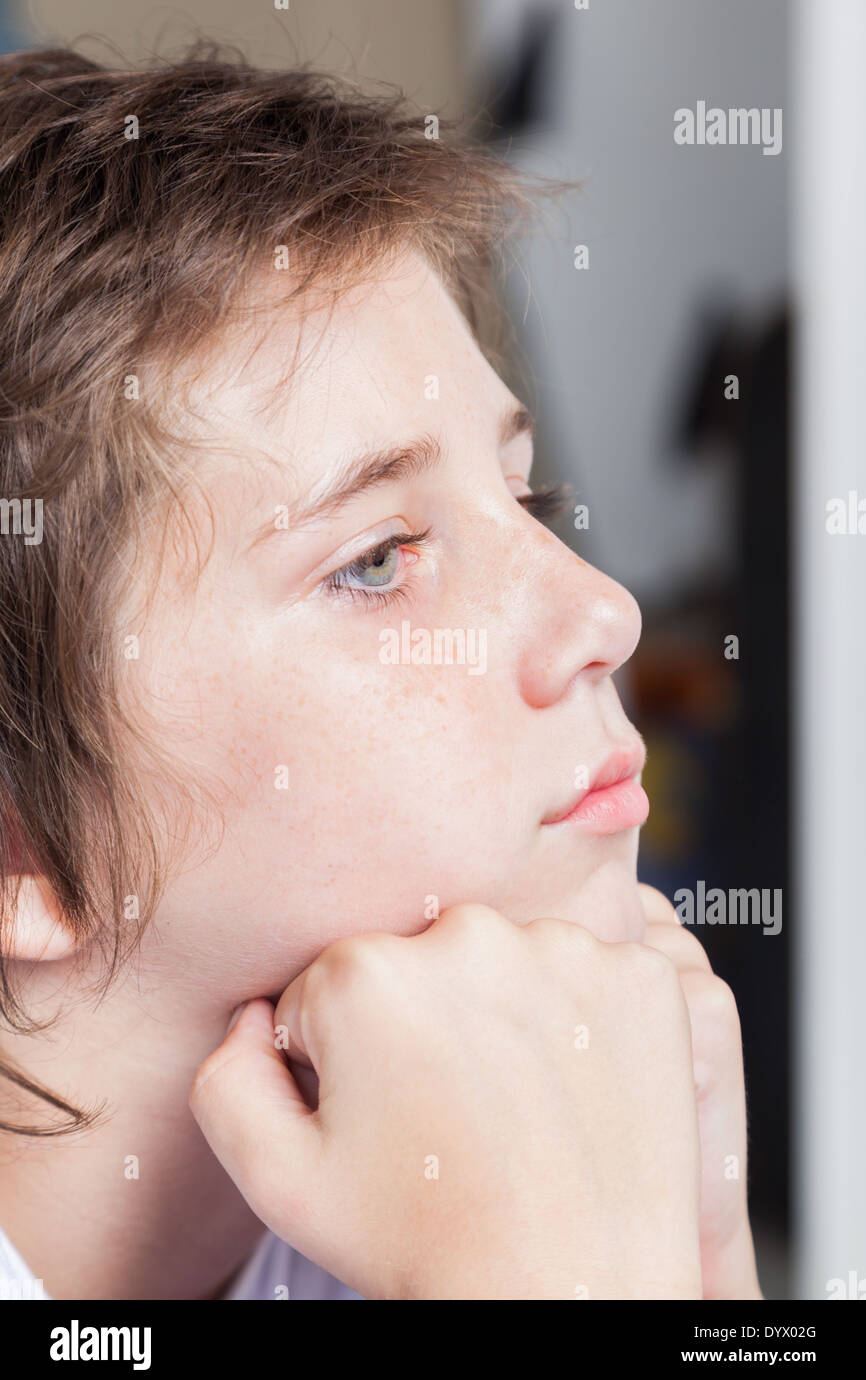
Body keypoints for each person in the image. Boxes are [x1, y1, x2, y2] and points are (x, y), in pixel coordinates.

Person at [0, 44, 761, 1300]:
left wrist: (694, 1250)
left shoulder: (502, 1151)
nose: (605, 612)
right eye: (379, 559)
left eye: (531, 500)